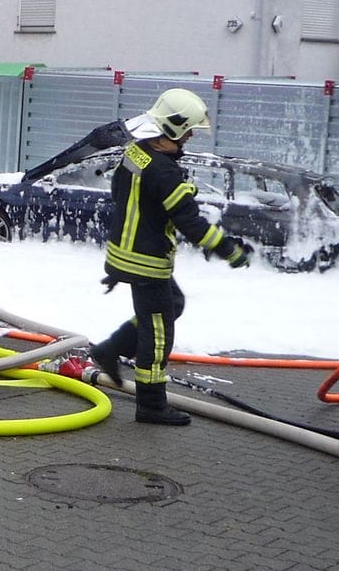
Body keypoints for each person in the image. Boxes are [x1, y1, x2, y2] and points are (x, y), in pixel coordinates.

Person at [90, 88, 251, 426]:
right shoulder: (164, 172)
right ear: (173, 129)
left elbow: (121, 195)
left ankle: (111, 348)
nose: (190, 137)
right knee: (158, 332)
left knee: (171, 305)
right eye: (188, 131)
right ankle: (151, 404)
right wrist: (228, 250)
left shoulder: (136, 154)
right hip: (147, 261)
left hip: (125, 254)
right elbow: (189, 223)